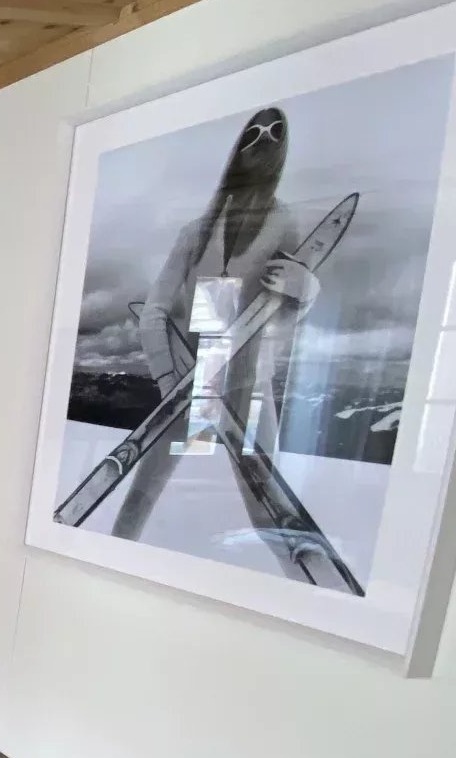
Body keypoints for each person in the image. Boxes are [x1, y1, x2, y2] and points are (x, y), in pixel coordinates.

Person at [111, 106, 324, 543]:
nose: (263, 139)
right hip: (191, 377)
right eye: (254, 133)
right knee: (141, 498)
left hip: (249, 383)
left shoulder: (285, 224)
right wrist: (170, 381)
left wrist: (306, 290)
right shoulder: (197, 232)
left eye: (275, 132)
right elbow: (153, 312)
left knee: (268, 508)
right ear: (238, 146)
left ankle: (295, 576)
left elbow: (280, 314)